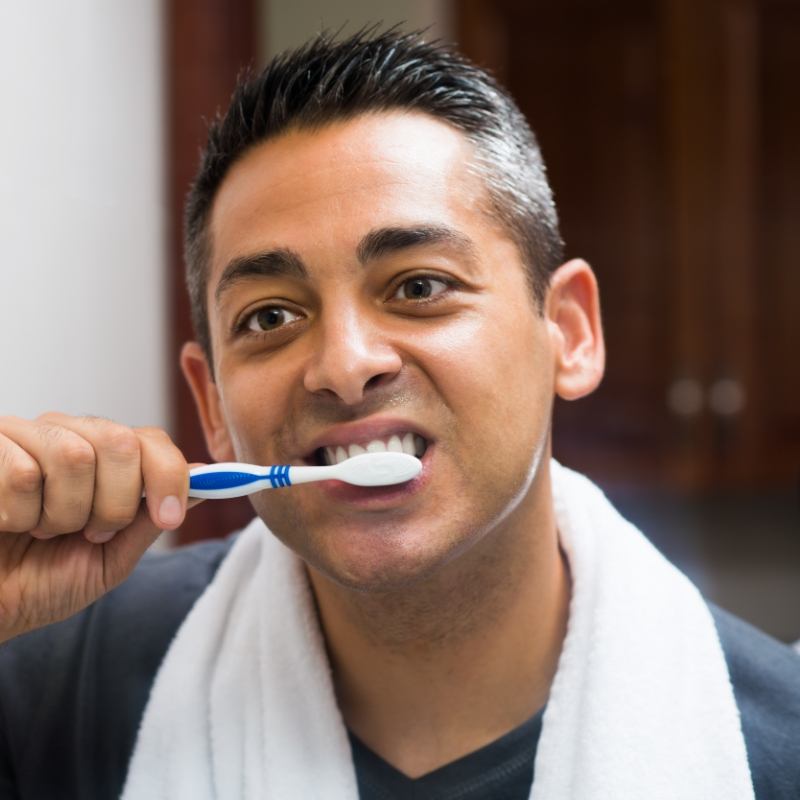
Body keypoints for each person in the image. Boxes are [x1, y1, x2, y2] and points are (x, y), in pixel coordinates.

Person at [0, 29, 798, 800]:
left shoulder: (777, 752)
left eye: (418, 286)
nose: (345, 365)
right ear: (210, 403)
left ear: (571, 333)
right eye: (271, 317)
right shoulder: (49, 692)